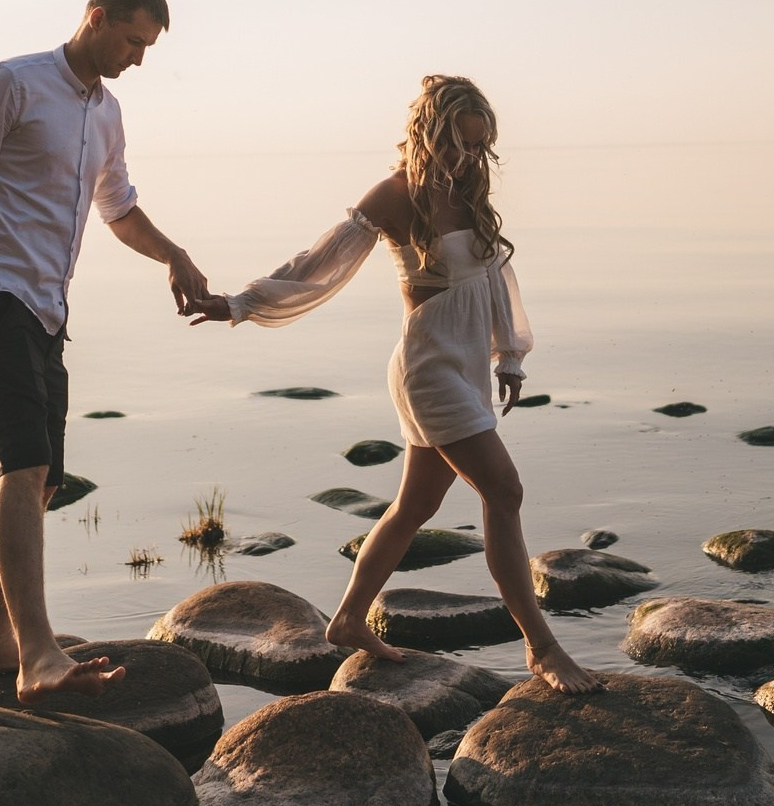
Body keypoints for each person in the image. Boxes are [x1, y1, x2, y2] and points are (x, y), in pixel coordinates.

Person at [194, 74, 599, 694]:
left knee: (415, 507)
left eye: (477, 146)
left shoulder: (469, 193)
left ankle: (348, 619)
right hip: (428, 371)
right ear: (429, 133)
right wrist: (241, 303)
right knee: (505, 491)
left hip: (464, 367)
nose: (466, 157)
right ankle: (541, 647)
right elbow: (320, 265)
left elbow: (494, 279)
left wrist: (509, 357)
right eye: (457, 143)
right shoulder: (395, 194)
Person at [0, 0, 213, 702]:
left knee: (40, 480)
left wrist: (174, 254)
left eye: (148, 47)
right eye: (132, 40)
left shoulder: (108, 114)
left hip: (44, 314)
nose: (138, 58)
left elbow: (118, 209)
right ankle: (38, 655)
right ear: (96, 17)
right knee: (24, 466)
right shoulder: (13, 83)